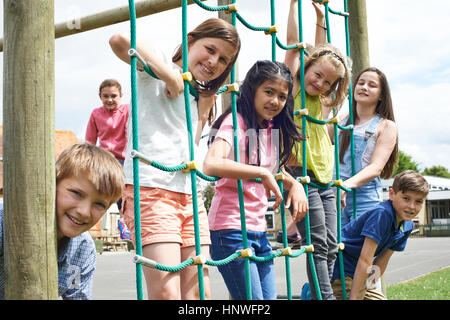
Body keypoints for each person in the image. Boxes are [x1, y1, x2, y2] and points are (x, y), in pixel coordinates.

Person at [109, 18, 241, 300]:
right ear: (191, 40)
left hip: (189, 197)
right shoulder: (156, 69)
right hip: (150, 189)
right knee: (167, 293)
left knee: (197, 294)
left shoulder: (199, 96)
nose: (214, 61)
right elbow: (119, 40)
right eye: (210, 49)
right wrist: (170, 77)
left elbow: (189, 150)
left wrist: (204, 112)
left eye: (223, 60)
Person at [203, 60, 308, 300]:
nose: (275, 101)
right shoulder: (236, 122)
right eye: (268, 92)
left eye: (282, 96)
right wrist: (261, 174)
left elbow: (272, 168)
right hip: (230, 229)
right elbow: (211, 164)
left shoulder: (269, 127)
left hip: (259, 230)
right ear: (252, 90)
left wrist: (295, 184)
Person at [283, 0, 351, 300]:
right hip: (301, 173)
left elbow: (323, 53)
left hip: (326, 175)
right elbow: (295, 45)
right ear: (306, 68)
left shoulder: (322, 102)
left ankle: (317, 294)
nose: (320, 82)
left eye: (328, 82)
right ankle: (326, 297)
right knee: (317, 242)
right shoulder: (293, 87)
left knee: (334, 243)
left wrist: (321, 17)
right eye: (317, 74)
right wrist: (295, 4)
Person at [0, 143, 125, 299]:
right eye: (76, 193)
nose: (84, 212)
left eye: (99, 204)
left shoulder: (83, 249)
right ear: (52, 184)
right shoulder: (4, 221)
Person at [331, 170, 429, 300]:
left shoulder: (407, 225)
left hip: (360, 273)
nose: (412, 206)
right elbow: (365, 259)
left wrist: (368, 286)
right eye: (406, 198)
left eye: (418, 201)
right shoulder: (382, 214)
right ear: (391, 194)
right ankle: (311, 293)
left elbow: (382, 261)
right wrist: (355, 297)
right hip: (342, 267)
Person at [331, 67, 398, 227]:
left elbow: (376, 167)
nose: (364, 87)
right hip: (335, 193)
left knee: (362, 247)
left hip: (364, 196)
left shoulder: (385, 126)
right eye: (361, 83)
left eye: (371, 85)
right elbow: (320, 137)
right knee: (334, 247)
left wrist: (345, 186)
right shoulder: (342, 120)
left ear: (381, 95)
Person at [85, 78, 129, 166]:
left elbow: (130, 135)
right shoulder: (96, 113)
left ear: (120, 95)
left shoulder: (127, 110)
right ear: (100, 96)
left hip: (124, 159)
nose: (109, 100)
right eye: (105, 96)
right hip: (104, 159)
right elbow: (90, 141)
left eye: (113, 96)